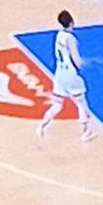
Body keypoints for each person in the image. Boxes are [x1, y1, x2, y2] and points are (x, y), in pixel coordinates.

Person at [35, 10, 95, 143]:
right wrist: (83, 64)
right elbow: (76, 59)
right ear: (72, 22)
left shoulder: (58, 35)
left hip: (59, 73)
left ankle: (42, 126)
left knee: (57, 104)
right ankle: (86, 132)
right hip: (69, 73)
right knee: (81, 102)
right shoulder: (70, 38)